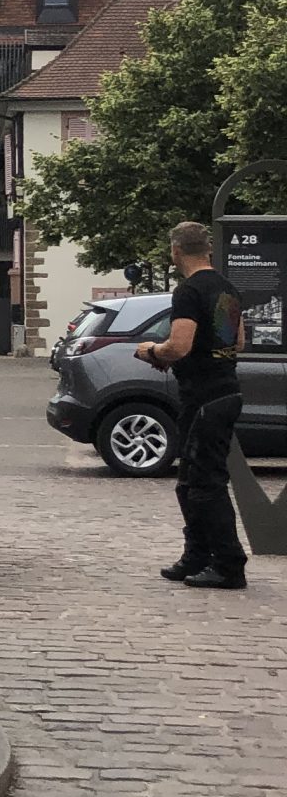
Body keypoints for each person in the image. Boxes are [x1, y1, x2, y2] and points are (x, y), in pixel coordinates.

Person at [137, 219, 248, 590]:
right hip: (226, 391)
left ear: (175, 251)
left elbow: (179, 346)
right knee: (188, 481)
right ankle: (196, 556)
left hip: (204, 397)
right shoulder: (225, 287)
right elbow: (238, 342)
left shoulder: (188, 291)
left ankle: (229, 565)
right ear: (208, 249)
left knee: (205, 483)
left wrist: (152, 351)